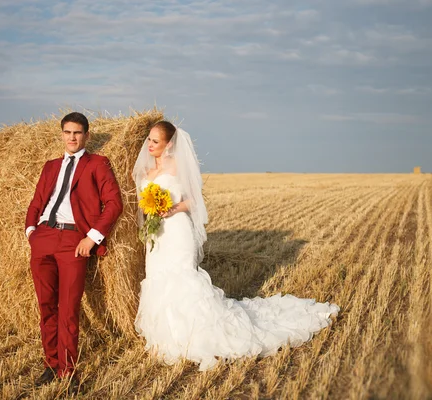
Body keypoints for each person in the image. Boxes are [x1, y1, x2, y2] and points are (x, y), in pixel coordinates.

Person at [132, 121, 339, 371]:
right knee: (158, 278)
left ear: (170, 144)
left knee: (182, 279)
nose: (150, 145)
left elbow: (194, 200)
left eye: (156, 141)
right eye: (149, 140)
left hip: (177, 231)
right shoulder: (144, 169)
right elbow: (141, 204)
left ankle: (195, 336)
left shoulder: (177, 166)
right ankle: (167, 336)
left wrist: (172, 208)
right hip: (158, 237)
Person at [25, 112, 123, 394]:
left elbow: (114, 203)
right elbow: (35, 203)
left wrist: (92, 237)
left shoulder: (97, 164)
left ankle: (68, 372)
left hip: (73, 240)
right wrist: (31, 232)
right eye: (67, 132)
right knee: (46, 306)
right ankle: (51, 364)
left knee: (68, 309)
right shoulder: (50, 166)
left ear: (87, 136)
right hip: (43, 238)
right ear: (61, 134)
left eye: (77, 133)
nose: (72, 137)